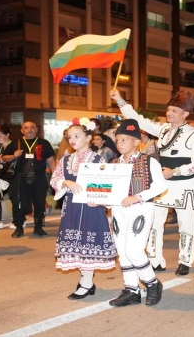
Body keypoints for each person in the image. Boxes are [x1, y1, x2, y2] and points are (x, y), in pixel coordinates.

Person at [110, 88, 194, 276]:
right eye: (169, 109)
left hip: (185, 185)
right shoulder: (162, 129)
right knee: (154, 223)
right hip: (161, 184)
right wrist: (120, 100)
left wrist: (176, 171)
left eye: (174, 111)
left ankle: (185, 260)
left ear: (185, 113)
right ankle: (155, 259)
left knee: (186, 225)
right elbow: (137, 118)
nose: (169, 113)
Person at [103, 119, 168, 307]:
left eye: (125, 140)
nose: (120, 143)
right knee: (123, 252)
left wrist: (138, 196)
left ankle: (152, 283)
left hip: (140, 208)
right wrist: (99, 198)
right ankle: (131, 289)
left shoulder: (148, 161)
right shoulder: (113, 163)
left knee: (134, 250)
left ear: (136, 142)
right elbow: (107, 188)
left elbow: (161, 185)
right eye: (118, 140)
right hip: (118, 209)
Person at [50, 118, 117, 299]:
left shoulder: (97, 159)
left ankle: (86, 283)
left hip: (90, 207)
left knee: (89, 243)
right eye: (69, 136)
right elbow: (54, 180)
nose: (72, 140)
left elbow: (105, 184)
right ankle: (86, 280)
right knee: (75, 244)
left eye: (77, 136)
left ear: (88, 137)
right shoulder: (65, 160)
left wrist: (99, 199)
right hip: (71, 207)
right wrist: (66, 181)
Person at [9, 121, 56, 238]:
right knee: (18, 203)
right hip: (20, 177)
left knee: (40, 202)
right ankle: (19, 228)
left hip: (39, 176)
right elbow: (4, 158)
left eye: (32, 127)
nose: (29, 130)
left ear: (36, 129)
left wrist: (55, 176)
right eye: (26, 128)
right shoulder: (16, 143)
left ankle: (38, 227)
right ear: (22, 130)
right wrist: (14, 155)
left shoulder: (44, 143)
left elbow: (51, 160)